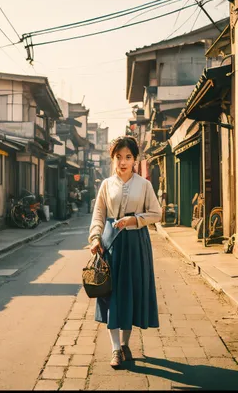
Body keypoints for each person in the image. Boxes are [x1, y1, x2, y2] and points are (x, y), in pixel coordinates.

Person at [87, 136, 163, 369]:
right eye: (118, 157)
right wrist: (95, 237)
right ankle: (115, 349)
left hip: (136, 244)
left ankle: (126, 343)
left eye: (128, 157)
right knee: (112, 296)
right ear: (113, 159)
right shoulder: (106, 184)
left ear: (135, 159)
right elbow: (99, 213)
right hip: (111, 244)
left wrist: (134, 219)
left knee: (130, 294)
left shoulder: (144, 185)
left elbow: (156, 213)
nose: (123, 162)